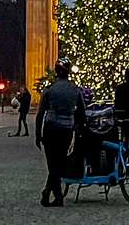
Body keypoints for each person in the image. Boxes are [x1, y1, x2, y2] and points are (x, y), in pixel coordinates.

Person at [36, 58, 86, 207]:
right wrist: (78, 127)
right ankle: (54, 195)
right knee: (59, 162)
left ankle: (51, 193)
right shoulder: (75, 89)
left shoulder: (50, 89)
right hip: (66, 129)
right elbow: (82, 112)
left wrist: (38, 134)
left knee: (52, 164)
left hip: (51, 127)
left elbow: (41, 113)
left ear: (56, 72)